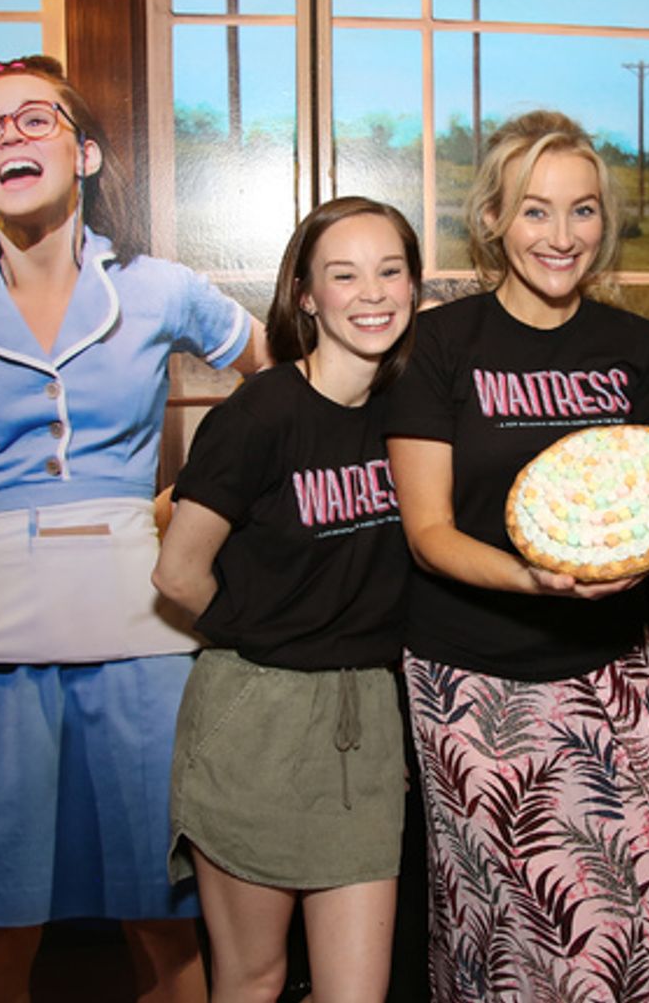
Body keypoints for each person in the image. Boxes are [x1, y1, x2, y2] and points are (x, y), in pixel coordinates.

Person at [0, 55, 266, 1003]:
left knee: (164, 924)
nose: (10, 136)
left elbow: (275, 386)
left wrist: (178, 506)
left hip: (140, 625)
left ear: (83, 153)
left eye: (33, 119)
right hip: (0, 632)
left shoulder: (164, 290)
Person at [385, 110, 649, 1002]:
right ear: (492, 219)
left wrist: (635, 560)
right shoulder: (442, 344)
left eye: (584, 210)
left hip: (614, 679)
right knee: (519, 935)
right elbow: (429, 534)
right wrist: (537, 578)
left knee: (641, 924)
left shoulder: (641, 347)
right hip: (476, 684)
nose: (562, 237)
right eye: (535, 211)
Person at [152, 196, 420, 1003]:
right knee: (255, 978)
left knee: (356, 992)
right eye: (344, 274)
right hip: (257, 719)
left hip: (367, 721)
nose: (371, 293)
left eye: (390, 270)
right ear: (306, 294)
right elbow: (177, 572)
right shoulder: (260, 413)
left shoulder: (411, 415)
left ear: (415, 287)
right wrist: (274, 642)